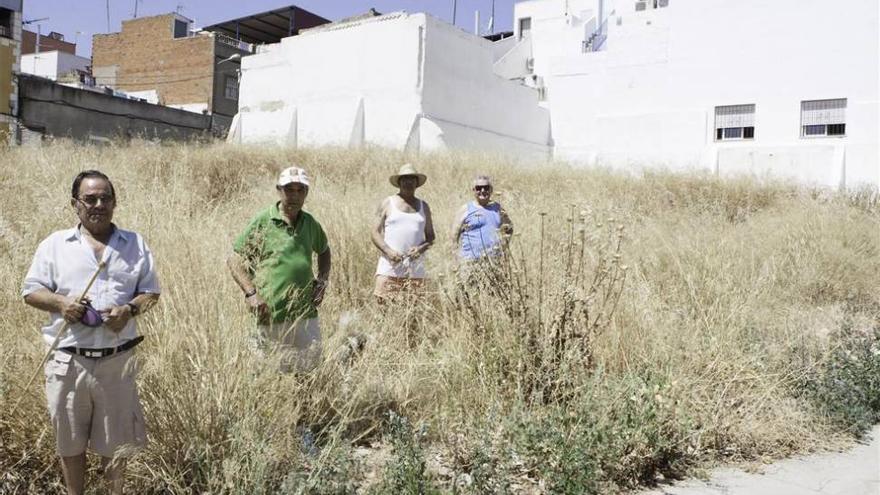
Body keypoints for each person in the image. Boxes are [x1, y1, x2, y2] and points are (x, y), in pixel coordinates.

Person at [22, 170, 161, 495]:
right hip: (68, 363)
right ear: (75, 204)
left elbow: (151, 292)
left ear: (115, 202)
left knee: (115, 447)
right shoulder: (55, 244)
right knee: (70, 445)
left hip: (117, 362)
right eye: (90, 199)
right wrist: (61, 303)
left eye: (105, 198)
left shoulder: (135, 244)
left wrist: (130, 310)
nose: (98, 204)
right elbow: (29, 291)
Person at [228, 166, 331, 372]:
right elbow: (234, 260)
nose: (294, 196)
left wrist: (322, 281)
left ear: (306, 193)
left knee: (308, 373)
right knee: (267, 375)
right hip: (269, 314)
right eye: (289, 190)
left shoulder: (310, 223)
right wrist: (251, 294)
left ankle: (304, 406)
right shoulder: (264, 221)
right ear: (278, 190)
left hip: (304, 314)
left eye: (300, 190)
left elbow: (324, 251)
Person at [371, 163, 435, 304]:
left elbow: (431, 237)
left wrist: (420, 249)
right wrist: (388, 251)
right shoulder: (388, 203)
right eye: (405, 179)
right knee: (384, 309)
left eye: (412, 179)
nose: (408, 182)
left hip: (416, 270)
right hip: (389, 268)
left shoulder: (424, 206)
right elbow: (375, 232)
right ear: (399, 182)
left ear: (417, 183)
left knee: (414, 313)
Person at [451, 175, 513, 295]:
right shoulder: (465, 209)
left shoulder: (498, 209)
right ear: (473, 190)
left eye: (486, 187)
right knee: (469, 298)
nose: (482, 191)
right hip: (470, 263)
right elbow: (453, 237)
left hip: (493, 263)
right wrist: (456, 261)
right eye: (479, 188)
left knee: (493, 298)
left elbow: (509, 228)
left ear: (491, 190)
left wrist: (504, 245)